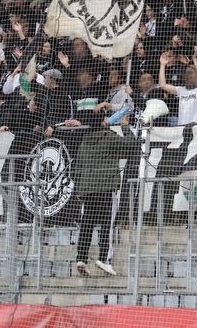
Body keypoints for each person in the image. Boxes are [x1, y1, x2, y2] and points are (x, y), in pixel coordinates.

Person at [73, 113, 140, 277]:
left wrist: (79, 189)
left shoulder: (85, 142)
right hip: (106, 187)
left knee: (87, 225)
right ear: (103, 124)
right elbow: (132, 146)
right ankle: (104, 259)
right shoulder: (109, 137)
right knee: (107, 225)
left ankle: (81, 258)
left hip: (87, 190)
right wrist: (125, 127)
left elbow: (78, 167)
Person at [157, 48, 197, 126]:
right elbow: (163, 85)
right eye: (186, 74)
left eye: (191, 73)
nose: (188, 76)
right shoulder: (181, 90)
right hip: (181, 128)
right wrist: (163, 65)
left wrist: (194, 59)